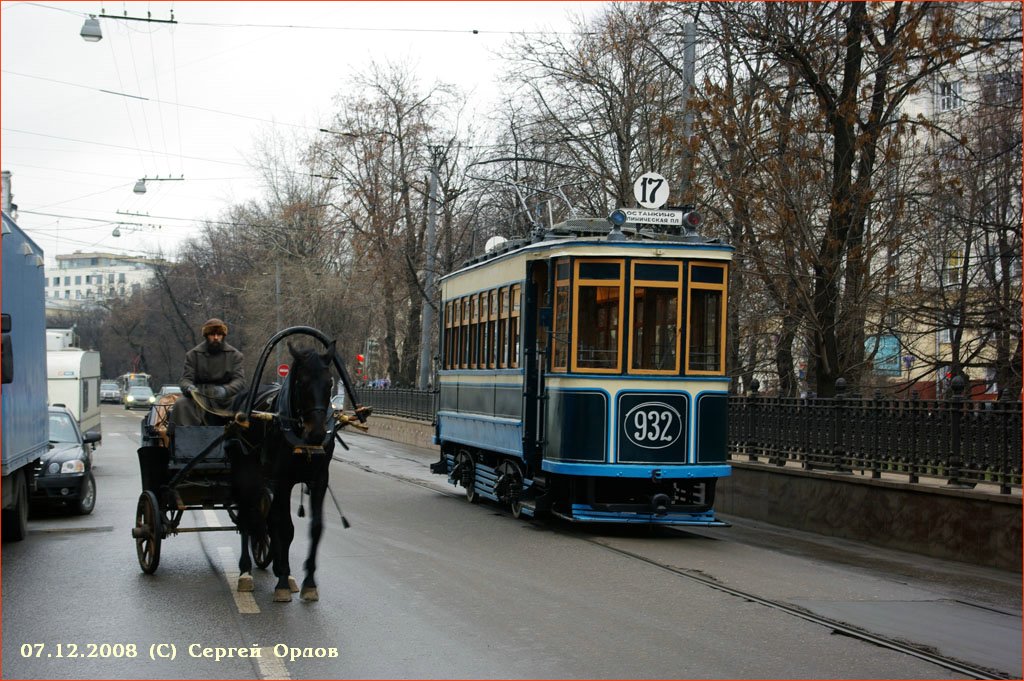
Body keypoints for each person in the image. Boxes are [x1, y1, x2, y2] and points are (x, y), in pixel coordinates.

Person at [171, 318, 245, 427]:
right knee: (181, 405)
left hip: (225, 399)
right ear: (206, 336)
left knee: (246, 407)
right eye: (212, 334)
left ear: (223, 336)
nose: (216, 338)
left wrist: (225, 390)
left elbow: (239, 380)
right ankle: (186, 438)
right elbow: (185, 379)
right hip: (200, 396)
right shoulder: (193, 355)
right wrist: (189, 388)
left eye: (219, 334)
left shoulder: (235, 355)